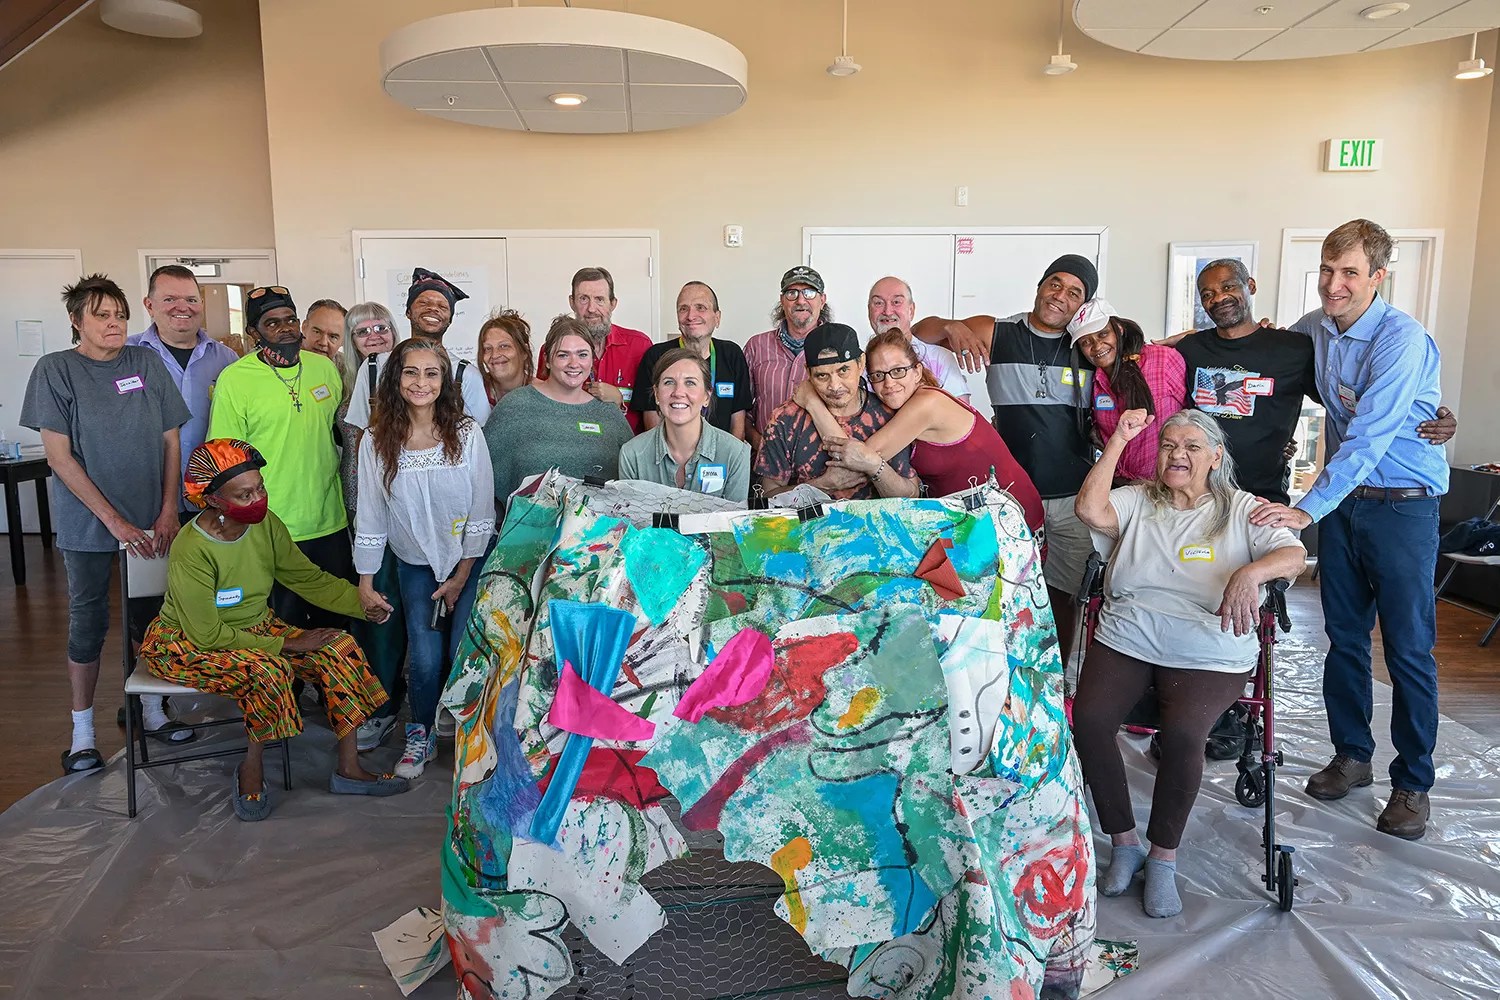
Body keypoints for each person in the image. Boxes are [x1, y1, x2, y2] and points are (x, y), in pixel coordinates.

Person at [1248, 219, 1449, 840]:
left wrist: (1308, 508)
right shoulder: (1316, 328)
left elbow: (1369, 435)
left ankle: (1413, 785)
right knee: (1344, 638)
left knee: (1409, 649)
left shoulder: (1402, 339)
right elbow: (1262, 349)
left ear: (1378, 276)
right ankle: (1353, 757)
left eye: (1350, 273)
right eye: (1328, 269)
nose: (1334, 284)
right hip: (1348, 508)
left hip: (1403, 506)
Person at [1073, 408, 1306, 917]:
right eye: (1168, 446)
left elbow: (1293, 556)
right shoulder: (1138, 498)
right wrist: (1117, 441)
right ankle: (1126, 841)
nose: (1177, 455)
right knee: (1088, 722)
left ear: (1216, 456)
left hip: (1210, 646)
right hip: (1129, 635)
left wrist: (1250, 572)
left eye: (1191, 447)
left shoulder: (1244, 509)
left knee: (1182, 736)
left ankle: (1163, 857)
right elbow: (1090, 512)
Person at [139, 439, 409, 820]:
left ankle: (349, 769)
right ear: (213, 499)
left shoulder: (266, 525)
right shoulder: (192, 548)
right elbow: (207, 635)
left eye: (260, 487)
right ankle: (251, 771)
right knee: (269, 670)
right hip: (187, 641)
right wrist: (289, 643)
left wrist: (360, 603)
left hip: (256, 627)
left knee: (340, 646)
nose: (258, 499)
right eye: (244, 494)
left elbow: (308, 579)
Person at [21, 274, 194, 772]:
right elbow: (59, 457)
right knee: (89, 622)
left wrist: (167, 510)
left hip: (152, 523)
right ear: (77, 321)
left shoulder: (145, 362)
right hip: (90, 527)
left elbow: (170, 441)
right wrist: (114, 521)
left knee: (154, 619)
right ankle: (81, 733)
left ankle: (152, 708)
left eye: (119, 314)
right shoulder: (56, 370)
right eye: (101, 315)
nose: (114, 323)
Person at [913, 254, 1099, 672]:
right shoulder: (998, 332)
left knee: (1062, 595)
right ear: (1039, 284)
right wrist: (950, 326)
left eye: (1075, 292)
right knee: (1001, 590)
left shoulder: (1086, 344)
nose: (1060, 296)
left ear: (1083, 304)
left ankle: (1052, 676)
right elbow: (917, 335)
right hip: (1009, 497)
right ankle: (1001, 675)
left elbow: (1140, 348)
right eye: (1055, 283)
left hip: (1072, 497)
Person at [1176, 258, 1456, 504]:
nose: (1218, 298)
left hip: (1263, 495)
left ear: (1250, 285)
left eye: (1227, 287)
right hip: (1198, 492)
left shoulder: (1294, 348)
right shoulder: (1189, 349)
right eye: (1208, 294)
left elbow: (1349, 402)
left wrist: (1421, 413)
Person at [356, 339, 495, 780]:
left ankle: (472, 735)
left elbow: (481, 508)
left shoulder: (467, 433)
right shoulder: (377, 441)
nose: (421, 382)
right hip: (414, 563)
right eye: (411, 372)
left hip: (468, 561)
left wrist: (461, 575)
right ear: (396, 378)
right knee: (424, 655)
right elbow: (372, 514)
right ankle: (420, 733)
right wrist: (365, 581)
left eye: (431, 373)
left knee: (461, 650)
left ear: (444, 380)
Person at [789, 330, 1042, 531]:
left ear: (917, 370)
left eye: (898, 371)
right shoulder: (902, 407)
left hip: (1010, 516)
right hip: (973, 520)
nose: (889, 383)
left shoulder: (927, 404)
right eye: (878, 375)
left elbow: (857, 458)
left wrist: (813, 402)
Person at [208, 286, 351, 630]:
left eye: (290, 319)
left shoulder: (324, 369)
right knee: (281, 627)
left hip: (329, 520)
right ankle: (291, 686)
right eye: (272, 323)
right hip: (270, 524)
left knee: (335, 623)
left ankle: (332, 684)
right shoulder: (236, 380)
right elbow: (225, 458)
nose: (285, 327)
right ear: (254, 333)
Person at [336, 302, 407, 751]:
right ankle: (371, 700)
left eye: (382, 327)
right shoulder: (341, 383)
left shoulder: (409, 379)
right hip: (354, 511)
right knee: (365, 609)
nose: (374, 335)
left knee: (390, 609)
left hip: (395, 511)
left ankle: (385, 708)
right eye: (362, 330)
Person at [754, 323, 919, 501]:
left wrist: (875, 467)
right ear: (808, 373)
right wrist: (823, 484)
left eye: (843, 371)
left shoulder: (888, 413)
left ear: (861, 363)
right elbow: (766, 498)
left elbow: (911, 494)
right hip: (807, 527)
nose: (835, 386)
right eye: (822, 376)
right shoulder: (784, 420)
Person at [486, 315, 634, 504]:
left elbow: (630, 481)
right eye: (563, 355)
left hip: (598, 530)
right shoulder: (514, 406)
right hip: (532, 529)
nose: (574, 363)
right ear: (547, 360)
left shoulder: (609, 413)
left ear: (591, 360)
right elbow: (484, 476)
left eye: (582, 354)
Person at [128, 264, 239, 517]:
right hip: (146, 497)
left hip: (211, 496)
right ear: (149, 305)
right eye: (170, 299)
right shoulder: (126, 355)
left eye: (191, 299)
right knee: (151, 558)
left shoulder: (227, 359)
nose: (182, 307)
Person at [344, 268, 493, 433]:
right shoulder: (374, 367)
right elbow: (361, 433)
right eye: (423, 303)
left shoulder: (466, 374)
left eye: (442, 306)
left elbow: (481, 435)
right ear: (408, 311)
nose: (433, 309)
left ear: (450, 319)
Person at [1067, 299, 1187, 484]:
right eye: (1086, 342)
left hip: (1166, 485)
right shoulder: (1095, 380)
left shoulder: (1162, 358)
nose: (1097, 346)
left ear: (1119, 330)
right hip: (1120, 486)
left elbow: (1197, 415)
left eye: (1103, 334)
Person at [619, 348, 752, 502]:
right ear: (656, 394)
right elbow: (632, 520)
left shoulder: (735, 454)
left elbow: (732, 521)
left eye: (690, 383)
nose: (678, 392)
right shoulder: (632, 454)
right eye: (669, 382)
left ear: (706, 396)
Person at [630, 282, 754, 440]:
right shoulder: (656, 356)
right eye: (683, 308)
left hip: (719, 460)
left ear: (717, 317)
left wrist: (729, 459)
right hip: (670, 458)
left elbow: (738, 425)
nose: (690, 316)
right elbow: (651, 422)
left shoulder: (732, 354)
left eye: (700, 307)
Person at [536, 267, 652, 430]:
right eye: (583, 299)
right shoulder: (554, 351)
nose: (591, 308)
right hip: (572, 446)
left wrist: (619, 402)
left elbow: (654, 409)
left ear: (613, 304)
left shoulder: (639, 347)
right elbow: (543, 406)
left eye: (599, 299)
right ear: (572, 302)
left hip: (628, 449)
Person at [743, 266, 825, 451]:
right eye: (792, 293)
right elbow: (742, 410)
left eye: (809, 292)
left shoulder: (837, 348)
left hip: (821, 464)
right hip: (764, 465)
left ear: (823, 300)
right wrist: (759, 443)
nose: (800, 300)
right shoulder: (756, 346)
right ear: (782, 300)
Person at [867, 276, 970, 401]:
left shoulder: (940, 358)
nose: (887, 311)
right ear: (869, 311)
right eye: (878, 303)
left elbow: (962, 413)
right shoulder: (859, 365)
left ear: (911, 310)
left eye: (896, 302)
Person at [477, 309, 534, 406]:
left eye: (504, 346)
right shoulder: (472, 390)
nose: (494, 355)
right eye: (487, 348)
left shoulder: (542, 394)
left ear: (524, 351)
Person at [301, 299, 347, 363]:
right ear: (304, 327)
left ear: (343, 341)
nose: (323, 342)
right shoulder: (284, 359)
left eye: (333, 337)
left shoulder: (349, 368)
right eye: (317, 332)